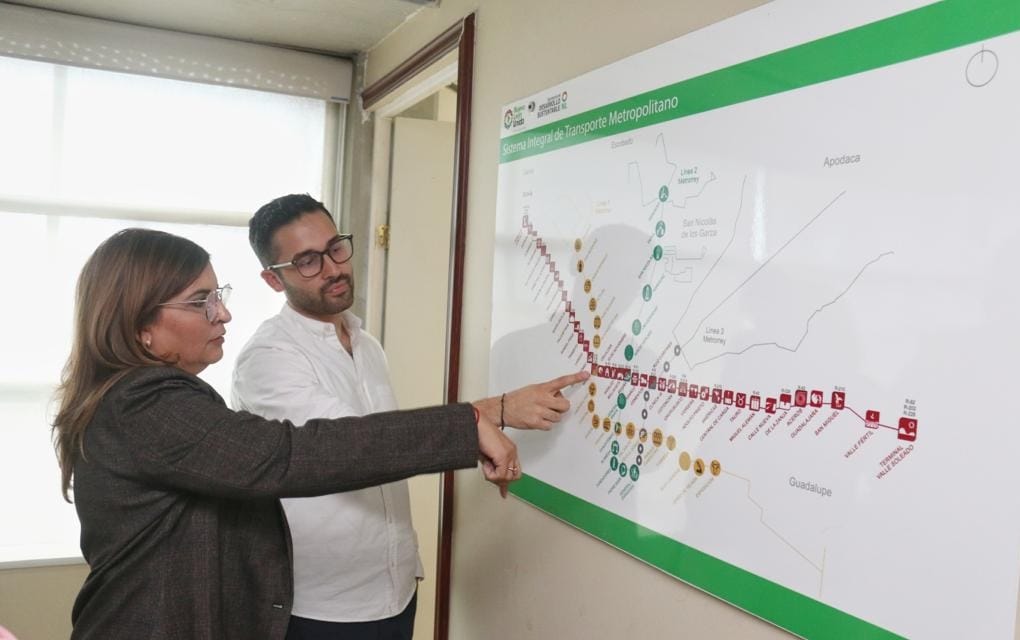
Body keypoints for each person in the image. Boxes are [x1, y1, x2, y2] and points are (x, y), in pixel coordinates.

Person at [51, 228, 557, 640]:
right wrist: (468, 423)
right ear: (140, 326)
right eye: (200, 301)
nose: (222, 313)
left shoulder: (148, 398)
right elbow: (291, 454)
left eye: (218, 295)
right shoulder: (145, 403)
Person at [233, 194, 587, 639]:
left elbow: (391, 443)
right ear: (273, 279)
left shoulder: (366, 344)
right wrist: (490, 414)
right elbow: (355, 447)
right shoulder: (269, 359)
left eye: (336, 248)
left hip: (395, 589)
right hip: (321, 606)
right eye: (307, 261)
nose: (333, 268)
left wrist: (482, 424)